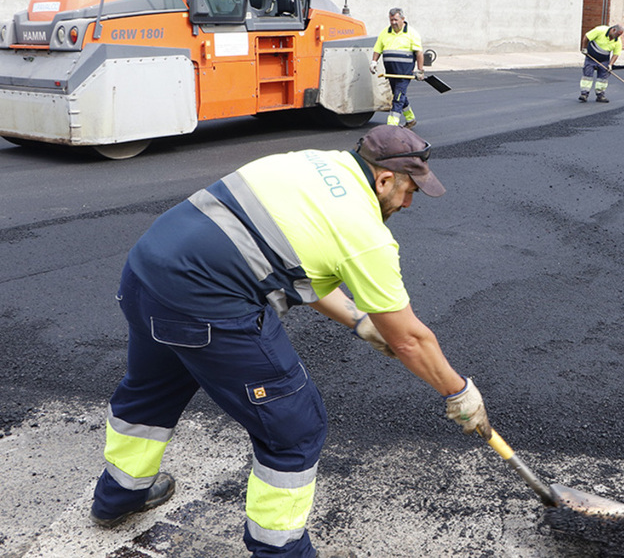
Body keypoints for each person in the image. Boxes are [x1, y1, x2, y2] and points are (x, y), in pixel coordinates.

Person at [89, 125, 491, 558]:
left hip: (146, 274)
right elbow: (411, 339)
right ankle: (281, 551)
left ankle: (119, 496)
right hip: (205, 305)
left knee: (151, 391)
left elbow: (296, 260)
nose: (410, 203)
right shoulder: (364, 233)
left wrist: (360, 321)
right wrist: (459, 392)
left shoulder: (314, 162)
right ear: (384, 179)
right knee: (295, 428)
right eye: (410, 189)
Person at [371, 8, 425, 128]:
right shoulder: (385, 32)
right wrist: (374, 61)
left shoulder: (411, 33)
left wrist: (420, 70)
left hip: (404, 74)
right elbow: (377, 49)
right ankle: (411, 119)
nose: (393, 22)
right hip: (391, 73)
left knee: (397, 98)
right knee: (399, 95)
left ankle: (392, 126)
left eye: (395, 19)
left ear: (402, 19)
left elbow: (419, 53)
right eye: (391, 20)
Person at [579, 24, 624, 103]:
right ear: (613, 30)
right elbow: (586, 37)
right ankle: (584, 94)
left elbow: (616, 54)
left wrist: (610, 64)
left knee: (602, 78)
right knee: (587, 76)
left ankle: (600, 95)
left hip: (604, 60)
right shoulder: (600, 30)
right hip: (591, 57)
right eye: (617, 34)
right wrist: (584, 48)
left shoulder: (617, 41)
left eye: (619, 35)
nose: (617, 37)